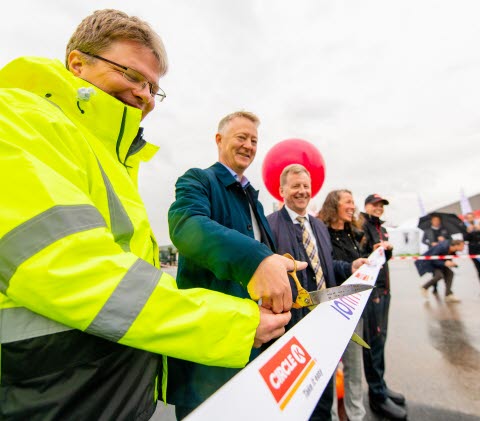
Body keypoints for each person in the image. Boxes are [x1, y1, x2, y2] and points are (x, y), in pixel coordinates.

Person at [0, 10, 291, 420]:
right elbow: (77, 269)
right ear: (77, 63)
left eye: (154, 87)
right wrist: (247, 283)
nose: (144, 95)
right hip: (54, 395)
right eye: (132, 75)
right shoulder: (17, 119)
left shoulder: (116, 160)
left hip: (114, 387)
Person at [167, 111, 306, 419]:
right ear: (219, 140)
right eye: (241, 137)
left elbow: (263, 256)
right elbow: (187, 225)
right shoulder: (198, 180)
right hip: (211, 353)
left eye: (254, 140)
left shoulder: (254, 201)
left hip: (257, 341)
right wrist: (256, 260)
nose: (248, 145)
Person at [267, 164, 366, 421]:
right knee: (299, 397)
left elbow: (326, 265)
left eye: (306, 187)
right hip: (294, 328)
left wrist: (349, 266)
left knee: (324, 390)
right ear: (281, 190)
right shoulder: (270, 226)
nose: (302, 191)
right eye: (295, 186)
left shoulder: (319, 226)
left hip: (326, 320)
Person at [318, 190, 367, 421]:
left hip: (355, 309)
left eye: (353, 201)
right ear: (334, 205)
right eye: (348, 201)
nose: (352, 205)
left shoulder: (354, 233)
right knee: (328, 369)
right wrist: (349, 267)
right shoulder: (321, 233)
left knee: (354, 369)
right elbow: (328, 264)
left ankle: (356, 415)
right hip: (332, 310)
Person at [359, 194, 408, 420]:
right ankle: (377, 397)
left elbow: (383, 260)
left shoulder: (381, 227)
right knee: (374, 344)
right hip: (372, 293)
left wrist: (386, 249)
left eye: (381, 206)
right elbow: (360, 258)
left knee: (381, 340)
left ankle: (380, 385)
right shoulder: (362, 225)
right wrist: (373, 248)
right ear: (366, 206)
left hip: (384, 290)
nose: (378, 209)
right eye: (375, 205)